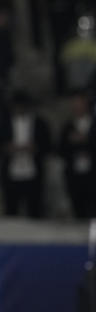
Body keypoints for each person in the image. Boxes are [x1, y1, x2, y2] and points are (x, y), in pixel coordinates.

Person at [0, 91, 52, 218]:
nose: (19, 109)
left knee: (35, 211)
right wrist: (8, 148)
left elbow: (48, 146)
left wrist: (35, 148)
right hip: (10, 174)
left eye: (22, 105)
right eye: (16, 106)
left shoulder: (40, 124)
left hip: (33, 174)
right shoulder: (4, 124)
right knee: (11, 212)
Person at [59, 91, 96, 219]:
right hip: (74, 175)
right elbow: (61, 150)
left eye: (80, 103)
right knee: (78, 209)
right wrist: (72, 143)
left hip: (93, 174)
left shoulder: (94, 125)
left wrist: (87, 141)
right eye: (74, 103)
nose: (77, 106)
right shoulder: (68, 126)